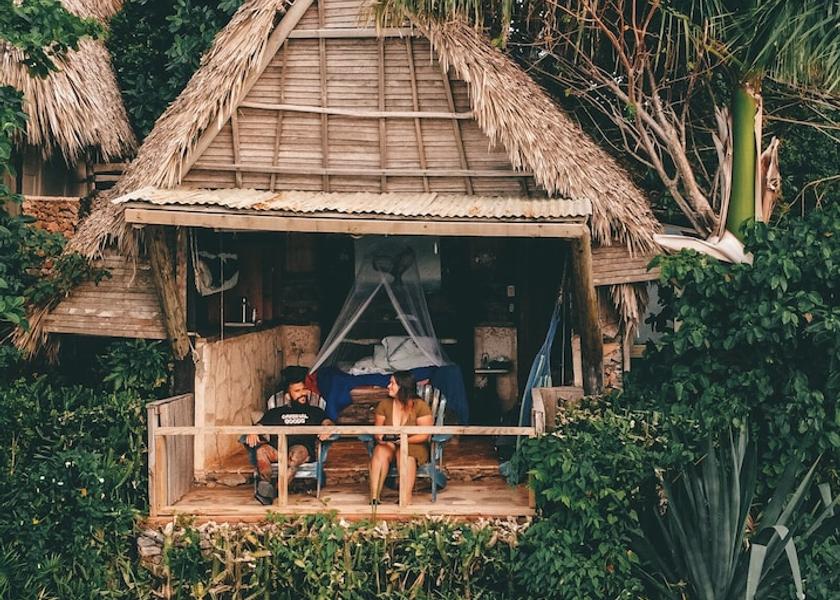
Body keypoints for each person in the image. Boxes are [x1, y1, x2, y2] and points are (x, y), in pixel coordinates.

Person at [244, 369, 333, 504]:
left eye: (303, 389)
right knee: (261, 450)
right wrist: (253, 431)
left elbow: (328, 422)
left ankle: (273, 492)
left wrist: (328, 428)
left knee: (296, 453)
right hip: (278, 451)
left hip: (301, 451)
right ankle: (265, 486)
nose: (302, 394)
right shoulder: (275, 412)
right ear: (287, 396)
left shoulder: (315, 411)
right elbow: (260, 425)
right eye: (297, 391)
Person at [369, 370, 433, 505]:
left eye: (392, 383)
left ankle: (405, 497)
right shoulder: (384, 405)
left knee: (404, 453)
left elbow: (424, 434)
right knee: (380, 451)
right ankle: (375, 498)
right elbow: (378, 431)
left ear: (402, 386)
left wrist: (404, 440)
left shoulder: (420, 406)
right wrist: (382, 438)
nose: (388, 386)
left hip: (414, 444)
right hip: (390, 443)